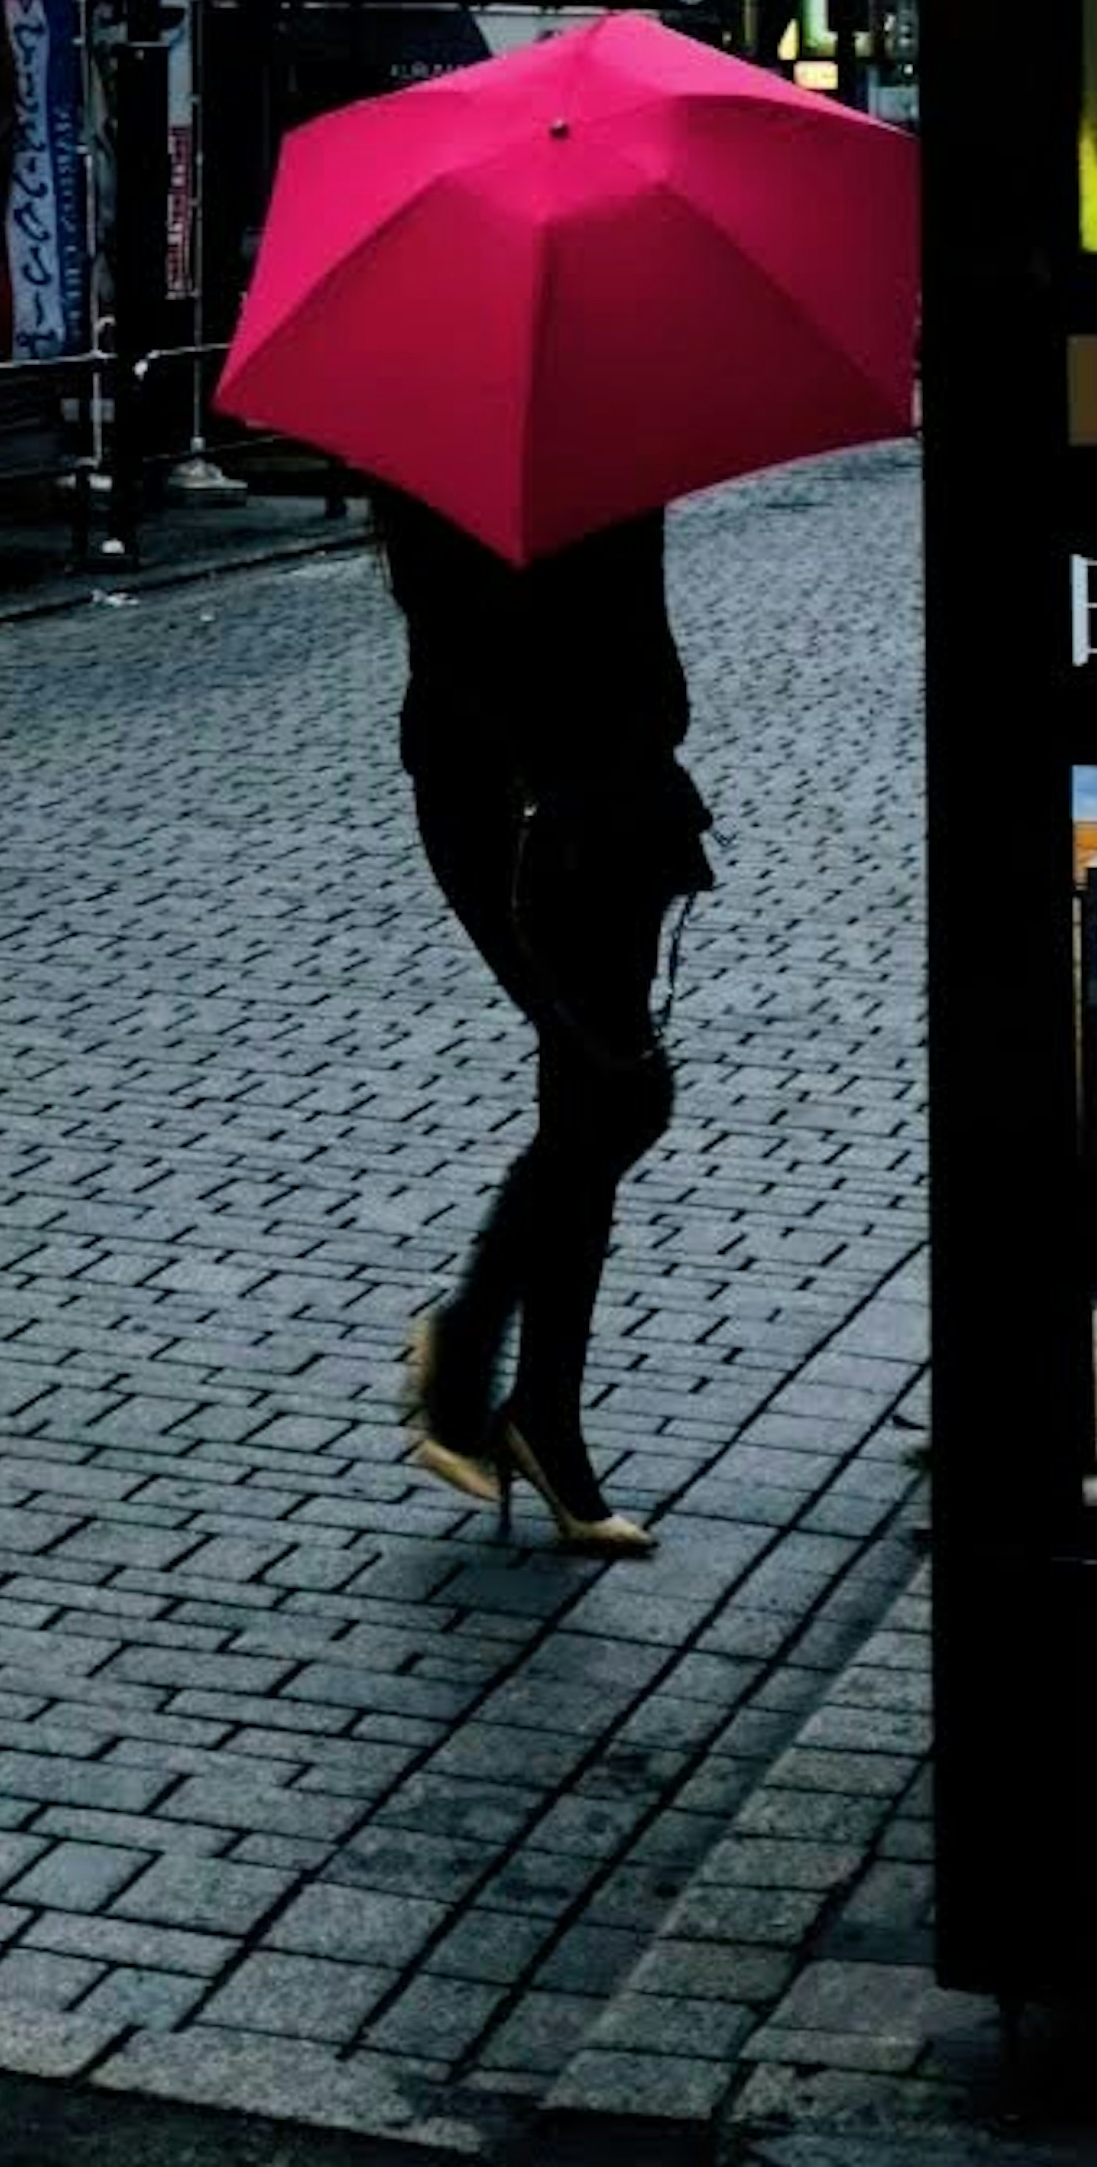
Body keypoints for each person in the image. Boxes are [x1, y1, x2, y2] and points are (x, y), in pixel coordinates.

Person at [380, 486, 714, 1557]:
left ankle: (541, 1421)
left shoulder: (611, 432)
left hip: (613, 795)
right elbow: (475, 656)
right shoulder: (462, 465)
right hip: (527, 807)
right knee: (617, 1091)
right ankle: (469, 1354)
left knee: (588, 1109)